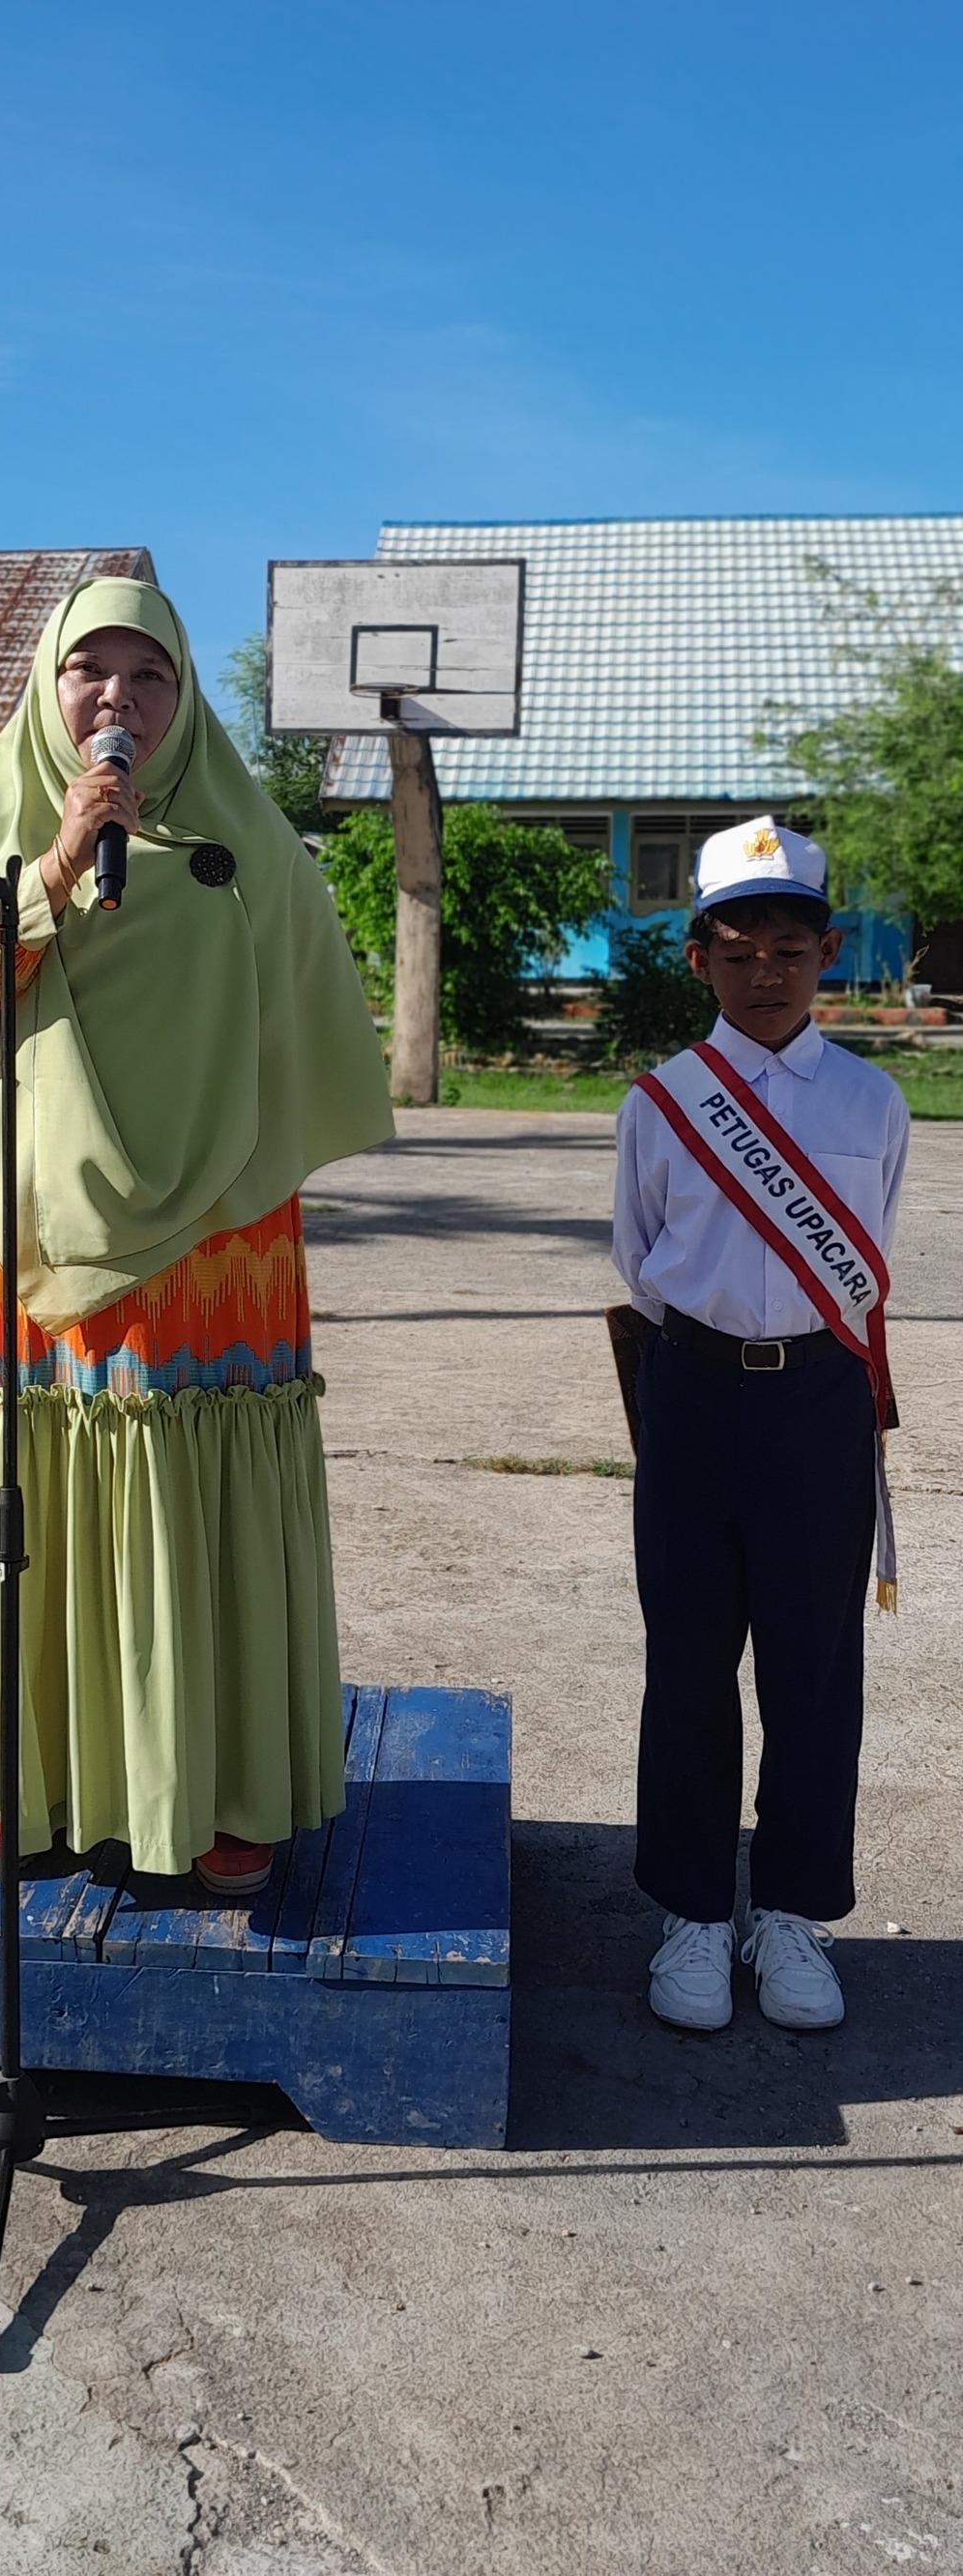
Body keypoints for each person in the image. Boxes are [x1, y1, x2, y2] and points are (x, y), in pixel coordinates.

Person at [0, 572, 393, 1896]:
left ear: (183, 690)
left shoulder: (249, 833)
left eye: (149, 674)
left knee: (193, 1486)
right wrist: (54, 869)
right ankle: (25, 1776)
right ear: (50, 685)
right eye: (90, 672)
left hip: (217, 1229)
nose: (118, 697)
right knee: (39, 1484)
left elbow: (303, 1009)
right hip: (38, 1211)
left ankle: (219, 1782)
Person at [612, 816, 910, 2034]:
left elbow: (869, 1251)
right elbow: (639, 1255)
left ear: (826, 952)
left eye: (788, 947)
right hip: (692, 1391)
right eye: (736, 950)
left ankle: (788, 1911)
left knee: (813, 1666)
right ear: (700, 960)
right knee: (687, 1660)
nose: (764, 971)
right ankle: (691, 1912)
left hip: (818, 1402)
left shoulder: (873, 1099)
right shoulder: (661, 1102)